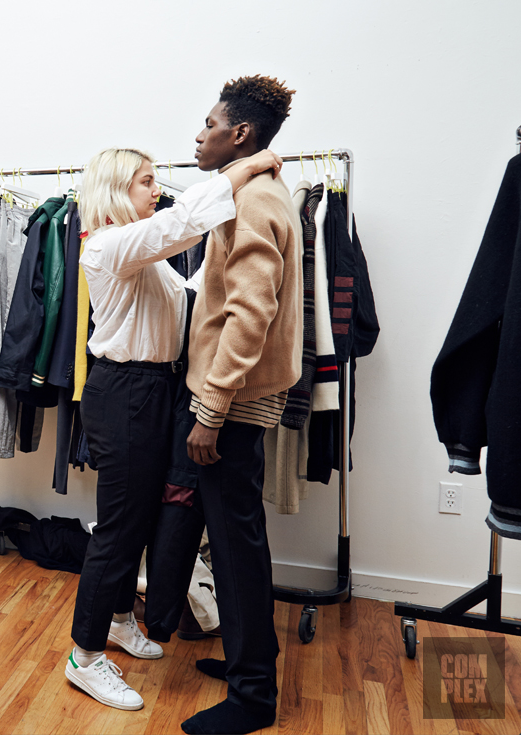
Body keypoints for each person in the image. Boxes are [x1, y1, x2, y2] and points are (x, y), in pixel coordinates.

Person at [65, 146, 282, 711]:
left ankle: (117, 621)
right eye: (145, 181)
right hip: (124, 394)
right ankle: (84, 657)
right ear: (115, 190)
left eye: (155, 180)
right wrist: (245, 169)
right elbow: (178, 225)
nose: (155, 189)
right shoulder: (109, 246)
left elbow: (195, 292)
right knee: (118, 529)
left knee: (143, 521)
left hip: (158, 390)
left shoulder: (148, 257)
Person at [182, 75, 301, 735]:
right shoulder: (263, 191)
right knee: (235, 543)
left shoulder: (254, 201)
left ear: (241, 135)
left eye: (208, 124)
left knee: (234, 546)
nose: (199, 135)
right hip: (242, 395)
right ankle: (246, 663)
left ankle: (253, 697)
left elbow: (249, 312)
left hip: (232, 400)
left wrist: (211, 406)